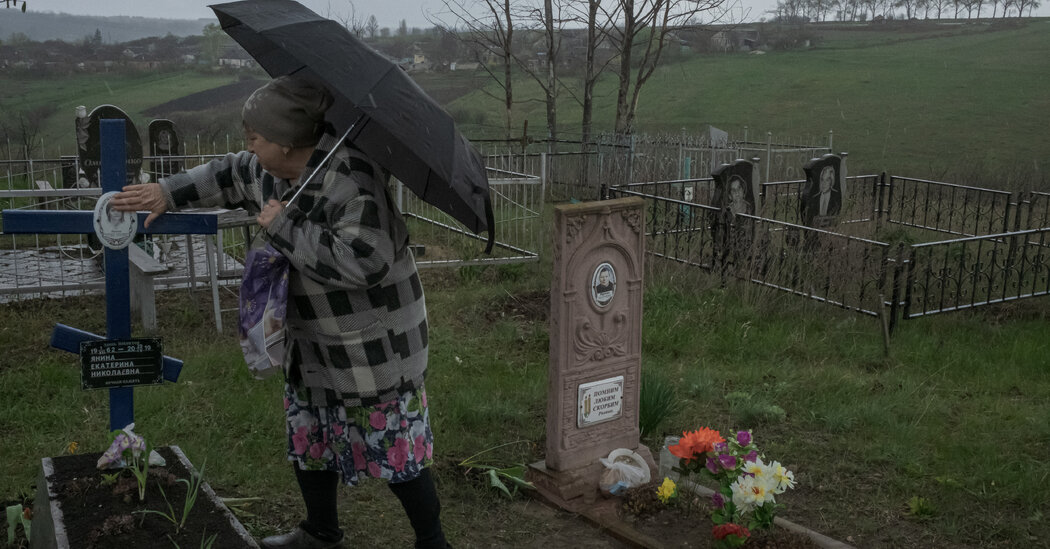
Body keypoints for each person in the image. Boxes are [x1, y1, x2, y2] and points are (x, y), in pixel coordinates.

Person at [112, 76, 448, 549]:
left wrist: (284, 225)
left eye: (255, 137)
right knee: (310, 438)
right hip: (310, 339)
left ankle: (432, 542)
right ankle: (321, 533)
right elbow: (228, 173)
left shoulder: (352, 180)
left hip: (373, 347)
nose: (247, 146)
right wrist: (167, 192)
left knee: (397, 451)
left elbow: (365, 262)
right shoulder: (271, 170)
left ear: (288, 141)